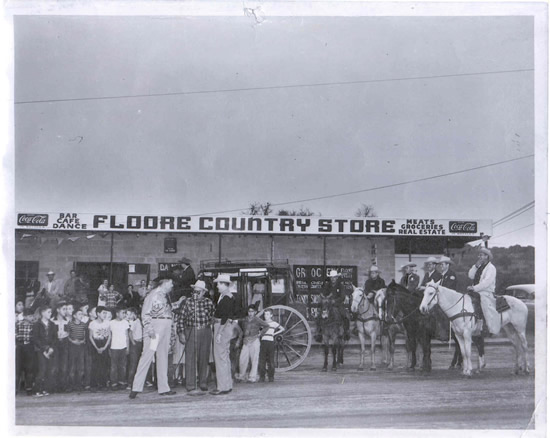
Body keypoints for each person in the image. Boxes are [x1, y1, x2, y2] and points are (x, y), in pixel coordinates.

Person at [129, 279, 176, 398]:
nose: (172, 285)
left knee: (163, 357)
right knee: (147, 357)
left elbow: (165, 311)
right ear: (165, 283)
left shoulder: (166, 296)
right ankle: (136, 387)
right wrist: (150, 330)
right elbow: (145, 313)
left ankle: (164, 387)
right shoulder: (153, 295)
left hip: (165, 326)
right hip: (156, 328)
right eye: (171, 283)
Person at [177, 280, 214, 392]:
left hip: (205, 331)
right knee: (190, 358)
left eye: (199, 292)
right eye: (195, 291)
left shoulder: (208, 302)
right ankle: (190, 384)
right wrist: (181, 333)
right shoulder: (188, 302)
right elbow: (181, 319)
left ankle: (203, 382)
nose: (196, 294)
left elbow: (213, 317)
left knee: (204, 357)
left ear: (203, 292)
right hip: (191, 330)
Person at [211, 274, 238, 395]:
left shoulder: (226, 298)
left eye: (219, 283)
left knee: (220, 357)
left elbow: (224, 317)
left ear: (224, 284)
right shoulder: (228, 296)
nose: (217, 286)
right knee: (225, 357)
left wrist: (219, 333)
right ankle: (227, 385)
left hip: (222, 327)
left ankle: (222, 387)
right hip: (227, 327)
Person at [467, 248, 499, 335]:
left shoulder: (491, 268)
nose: (479, 257)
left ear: (486, 256)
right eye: (479, 255)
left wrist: (474, 288)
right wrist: (475, 266)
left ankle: (484, 326)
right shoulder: (479, 266)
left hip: (486, 292)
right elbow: (470, 276)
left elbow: (487, 282)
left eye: (481, 255)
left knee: (483, 304)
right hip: (477, 291)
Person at [236, 304, 271, 383]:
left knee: (254, 359)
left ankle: (252, 377)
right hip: (246, 341)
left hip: (254, 340)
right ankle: (242, 376)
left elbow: (267, 326)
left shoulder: (257, 320)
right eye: (249, 311)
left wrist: (260, 333)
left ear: (255, 312)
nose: (250, 313)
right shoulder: (244, 319)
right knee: (242, 359)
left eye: (252, 311)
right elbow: (239, 324)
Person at [32, 306, 57, 397]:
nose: (50, 314)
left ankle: (45, 389)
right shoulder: (37, 324)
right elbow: (35, 339)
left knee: (49, 370)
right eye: (48, 312)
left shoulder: (52, 324)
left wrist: (51, 348)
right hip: (40, 350)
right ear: (42, 313)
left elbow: (55, 338)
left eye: (51, 312)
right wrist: (45, 349)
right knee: (42, 369)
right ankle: (37, 390)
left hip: (50, 350)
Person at [321, 269, 350, 340]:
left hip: (338, 305)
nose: (333, 279)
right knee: (320, 316)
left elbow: (342, 296)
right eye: (331, 277)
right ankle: (319, 333)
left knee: (345, 315)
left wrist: (335, 301)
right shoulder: (327, 285)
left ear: (337, 277)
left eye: (334, 277)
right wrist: (325, 298)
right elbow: (324, 293)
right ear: (330, 278)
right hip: (328, 305)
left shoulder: (340, 286)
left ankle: (346, 332)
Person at [88, 306, 112, 391]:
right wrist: (97, 347)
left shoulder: (107, 323)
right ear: (98, 314)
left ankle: (103, 383)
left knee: (104, 365)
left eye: (106, 313)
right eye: (103, 313)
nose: (105, 315)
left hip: (104, 343)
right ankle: (94, 385)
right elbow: (90, 337)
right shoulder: (92, 323)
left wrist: (105, 347)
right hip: (96, 343)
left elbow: (109, 335)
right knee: (96, 365)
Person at [258, 308, 284, 383]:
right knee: (262, 360)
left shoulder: (274, 323)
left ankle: (271, 376)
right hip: (263, 341)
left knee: (271, 360)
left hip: (270, 342)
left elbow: (282, 329)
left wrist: (274, 334)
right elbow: (259, 331)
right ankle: (262, 377)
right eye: (265, 314)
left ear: (271, 315)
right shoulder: (262, 323)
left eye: (267, 314)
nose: (266, 316)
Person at [67, 308, 87, 392]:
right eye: (79, 314)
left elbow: (85, 335)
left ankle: (79, 384)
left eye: (82, 314)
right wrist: (73, 341)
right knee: (72, 365)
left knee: (81, 365)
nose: (81, 316)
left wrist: (82, 341)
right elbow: (67, 335)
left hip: (81, 347)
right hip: (72, 346)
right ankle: (71, 384)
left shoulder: (83, 324)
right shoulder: (70, 324)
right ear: (74, 316)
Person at [16, 308, 35, 395]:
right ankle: (15, 388)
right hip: (20, 346)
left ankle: (29, 388)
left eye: (32, 316)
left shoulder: (33, 325)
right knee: (18, 368)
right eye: (30, 316)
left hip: (29, 346)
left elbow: (34, 337)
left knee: (29, 368)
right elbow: (15, 334)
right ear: (25, 316)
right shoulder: (19, 324)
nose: (32, 318)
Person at [109, 307, 130, 390]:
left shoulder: (125, 323)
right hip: (114, 347)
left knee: (123, 366)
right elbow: (110, 336)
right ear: (117, 313)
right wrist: (109, 347)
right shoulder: (111, 323)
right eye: (122, 313)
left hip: (123, 346)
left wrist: (128, 347)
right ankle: (114, 382)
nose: (124, 315)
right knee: (113, 366)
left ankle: (122, 381)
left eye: (125, 313)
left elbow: (127, 336)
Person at [51, 301, 70, 393]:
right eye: (63, 309)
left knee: (64, 366)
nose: (65, 311)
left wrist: (66, 334)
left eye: (66, 309)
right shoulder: (52, 320)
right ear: (58, 310)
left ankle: (63, 385)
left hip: (64, 345)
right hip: (55, 344)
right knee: (55, 366)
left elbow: (69, 332)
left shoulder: (67, 320)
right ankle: (54, 386)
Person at [126, 308, 143, 389]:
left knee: (139, 363)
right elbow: (130, 333)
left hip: (140, 343)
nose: (129, 316)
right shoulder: (134, 322)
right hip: (135, 343)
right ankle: (130, 383)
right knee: (133, 363)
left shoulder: (140, 321)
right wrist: (133, 342)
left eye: (130, 314)